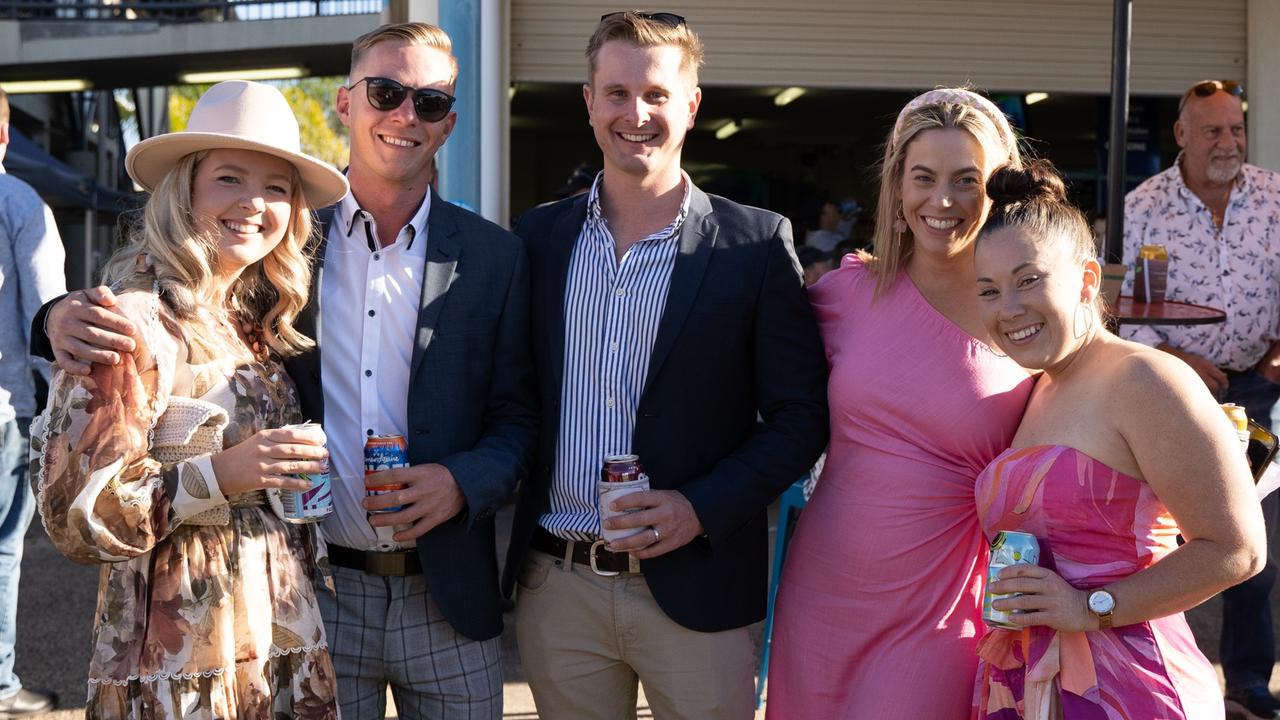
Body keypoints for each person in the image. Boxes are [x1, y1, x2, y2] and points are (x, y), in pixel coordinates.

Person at [36, 22, 537, 719]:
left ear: (448, 122)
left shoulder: (482, 257)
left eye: (427, 102)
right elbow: (151, 319)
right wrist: (57, 315)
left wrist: (463, 482)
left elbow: (519, 414)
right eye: (387, 92)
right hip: (317, 598)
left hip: (405, 597)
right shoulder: (287, 249)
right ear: (346, 103)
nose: (404, 114)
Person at [502, 11, 828, 720]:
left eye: (655, 94)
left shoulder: (754, 245)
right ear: (588, 102)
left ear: (691, 105)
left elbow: (800, 420)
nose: (636, 114)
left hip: (699, 589)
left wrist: (697, 508)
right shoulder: (538, 238)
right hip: (558, 588)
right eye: (616, 93)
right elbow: (513, 399)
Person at [30, 80, 349, 717]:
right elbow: (77, 517)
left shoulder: (252, 323)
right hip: (180, 671)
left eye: (276, 187)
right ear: (185, 190)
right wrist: (225, 473)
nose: (254, 202)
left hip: (274, 642)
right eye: (230, 178)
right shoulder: (133, 323)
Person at [765, 87, 1032, 719]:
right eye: (924, 178)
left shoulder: (1025, 314)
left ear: (999, 189)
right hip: (823, 591)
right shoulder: (843, 293)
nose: (942, 201)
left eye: (967, 180)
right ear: (896, 186)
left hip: (943, 609)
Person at [971, 159, 1265, 719]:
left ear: (1087, 279)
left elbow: (1237, 549)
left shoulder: (1146, 379)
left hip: (1131, 689)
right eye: (988, 290)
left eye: (1028, 280)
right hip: (1031, 682)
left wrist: (1090, 607)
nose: (1008, 309)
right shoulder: (1034, 390)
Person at [1120, 78, 1280, 720]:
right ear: (1182, 136)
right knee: (1166, 538)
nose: (1228, 142)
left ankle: (1245, 684)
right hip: (1176, 391)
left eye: (1236, 129)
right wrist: (1179, 360)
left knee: (1253, 540)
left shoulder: (1273, 199)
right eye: (1213, 130)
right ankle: (1161, 678)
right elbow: (1131, 310)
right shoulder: (1146, 209)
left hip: (1257, 388)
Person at [0, 87, 62, 718]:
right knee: (1, 546)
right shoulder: (18, 203)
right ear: (4, 138)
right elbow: (49, 318)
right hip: (1, 408)